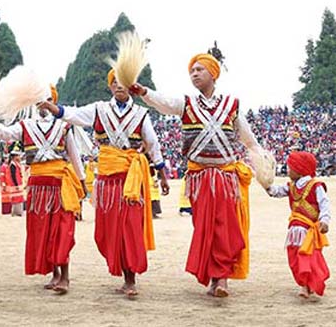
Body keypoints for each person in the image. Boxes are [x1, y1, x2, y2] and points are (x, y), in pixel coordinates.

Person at [130, 53, 265, 297]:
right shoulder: (186, 103)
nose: (194, 74)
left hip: (225, 177)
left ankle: (222, 278)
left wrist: (260, 156)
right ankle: (214, 276)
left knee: (225, 227)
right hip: (199, 178)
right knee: (204, 227)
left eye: (200, 70)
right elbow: (163, 103)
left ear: (213, 74)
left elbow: (246, 136)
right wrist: (143, 92)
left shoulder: (231, 105)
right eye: (192, 71)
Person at [39, 70, 169, 297]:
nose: (119, 85)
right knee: (108, 231)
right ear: (110, 86)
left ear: (131, 85)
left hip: (131, 180)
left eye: (123, 81)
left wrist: (162, 172)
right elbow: (74, 115)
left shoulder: (141, 114)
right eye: (114, 82)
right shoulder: (99, 109)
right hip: (107, 181)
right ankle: (121, 270)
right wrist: (55, 110)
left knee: (130, 228)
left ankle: (131, 279)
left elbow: (152, 142)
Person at [0, 85, 86, 294]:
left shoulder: (64, 126)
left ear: (53, 101)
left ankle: (65, 276)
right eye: (39, 99)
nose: (43, 103)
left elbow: (74, 154)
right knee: (43, 231)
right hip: (38, 187)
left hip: (60, 184)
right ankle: (54, 274)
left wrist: (82, 181)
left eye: (47, 98)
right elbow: (6, 134)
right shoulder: (25, 126)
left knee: (62, 231)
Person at [265, 151, 330, 298]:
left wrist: (324, 220)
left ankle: (305, 286)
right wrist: (267, 185)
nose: (288, 171)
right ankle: (305, 284)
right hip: (294, 230)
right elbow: (276, 192)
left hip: (308, 230)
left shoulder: (316, 185)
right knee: (294, 257)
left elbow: (324, 204)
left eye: (290, 168)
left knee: (307, 257)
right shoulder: (291, 186)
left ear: (300, 170)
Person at [6, 142, 25, 217]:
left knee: (19, 198)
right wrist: (16, 184)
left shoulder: (16, 163)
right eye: (18, 156)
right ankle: (16, 212)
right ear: (14, 157)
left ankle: (18, 212)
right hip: (15, 183)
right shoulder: (13, 165)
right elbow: (13, 175)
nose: (19, 157)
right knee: (16, 198)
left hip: (18, 182)